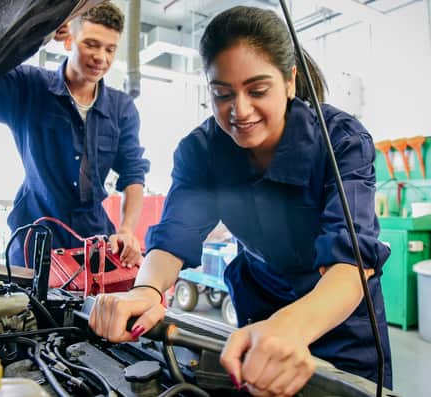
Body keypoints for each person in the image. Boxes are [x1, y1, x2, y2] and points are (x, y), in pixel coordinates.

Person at [88, 5, 392, 396]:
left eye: (258, 90)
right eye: (222, 94)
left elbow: (352, 263)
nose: (240, 111)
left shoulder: (342, 142)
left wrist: (290, 329)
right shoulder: (202, 151)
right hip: (260, 315)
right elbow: (174, 237)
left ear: (290, 81)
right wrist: (145, 290)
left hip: (341, 324)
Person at [0, 2, 149, 268]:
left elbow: (133, 174)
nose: (102, 57)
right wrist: (38, 35)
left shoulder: (122, 108)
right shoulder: (29, 87)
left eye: (110, 49)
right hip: (35, 242)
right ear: (68, 41)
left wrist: (126, 229)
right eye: (91, 44)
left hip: (93, 243)